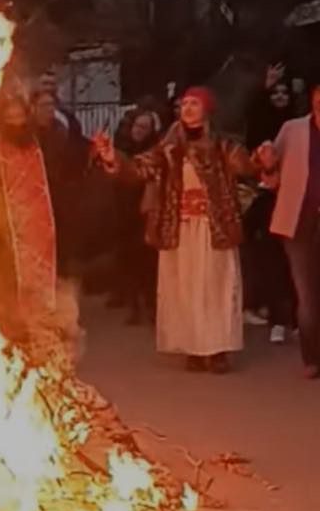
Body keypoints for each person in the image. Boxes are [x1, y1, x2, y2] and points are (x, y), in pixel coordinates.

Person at [95, 87, 258, 374]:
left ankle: (217, 349)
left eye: (194, 104)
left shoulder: (221, 144)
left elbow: (244, 165)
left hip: (213, 227)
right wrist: (112, 157)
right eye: (184, 104)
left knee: (215, 286)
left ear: (206, 109)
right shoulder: (169, 145)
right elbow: (139, 169)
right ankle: (193, 349)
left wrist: (262, 160)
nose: (188, 108)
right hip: (179, 226)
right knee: (184, 287)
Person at [0, 92, 88, 338]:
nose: (15, 117)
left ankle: (31, 337)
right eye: (9, 112)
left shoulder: (38, 143)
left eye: (20, 112)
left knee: (29, 290)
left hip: (35, 228)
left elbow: (59, 178)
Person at [258, 84, 320, 378]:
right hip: (298, 222)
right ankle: (312, 358)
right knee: (307, 294)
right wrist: (268, 164)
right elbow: (270, 179)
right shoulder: (293, 130)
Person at [243, 64, 299, 341]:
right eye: (274, 93)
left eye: (283, 92)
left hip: (298, 198)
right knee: (271, 257)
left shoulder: (298, 125)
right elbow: (253, 126)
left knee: (297, 262)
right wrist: (263, 88)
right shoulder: (264, 123)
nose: (279, 97)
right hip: (269, 196)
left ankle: (296, 317)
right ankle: (275, 316)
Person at [112, 111, 160, 325]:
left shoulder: (155, 154)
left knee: (148, 262)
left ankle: (151, 306)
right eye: (136, 126)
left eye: (144, 127)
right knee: (128, 259)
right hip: (124, 211)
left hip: (146, 210)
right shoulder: (124, 150)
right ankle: (133, 306)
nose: (138, 131)